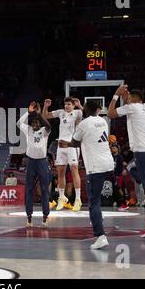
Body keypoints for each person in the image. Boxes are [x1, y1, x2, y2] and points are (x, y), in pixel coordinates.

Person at [108, 85, 145, 238]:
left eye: (129, 98)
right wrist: (126, 96)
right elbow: (130, 104)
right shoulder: (144, 107)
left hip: (143, 151)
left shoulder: (133, 108)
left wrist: (116, 95)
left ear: (134, 99)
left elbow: (110, 113)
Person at [59, 101, 114, 250]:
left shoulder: (83, 124)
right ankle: (97, 219)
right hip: (109, 164)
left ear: (83, 111)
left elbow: (75, 142)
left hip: (95, 167)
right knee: (96, 202)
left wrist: (66, 144)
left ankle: (100, 236)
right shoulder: (103, 121)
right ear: (97, 110)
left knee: (93, 203)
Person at [17, 100, 52, 227]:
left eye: (38, 122)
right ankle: (29, 217)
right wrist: (28, 112)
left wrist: (39, 114)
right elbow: (19, 123)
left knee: (44, 189)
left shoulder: (44, 131)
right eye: (34, 122)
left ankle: (45, 216)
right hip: (31, 161)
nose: (36, 124)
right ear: (32, 124)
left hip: (42, 161)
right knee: (29, 189)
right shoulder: (28, 130)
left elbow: (49, 126)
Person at [45, 97, 83, 211]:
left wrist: (80, 105)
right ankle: (61, 198)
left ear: (73, 105)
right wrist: (45, 106)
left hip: (72, 146)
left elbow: (87, 115)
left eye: (69, 104)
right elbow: (46, 115)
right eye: (65, 104)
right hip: (60, 147)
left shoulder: (77, 112)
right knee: (60, 173)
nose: (67, 106)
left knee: (74, 170)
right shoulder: (61, 113)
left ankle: (78, 199)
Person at [111, 144, 128, 211]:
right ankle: (118, 202)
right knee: (115, 189)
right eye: (112, 148)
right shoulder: (111, 156)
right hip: (114, 175)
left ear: (117, 149)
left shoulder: (120, 157)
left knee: (120, 189)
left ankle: (124, 204)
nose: (113, 149)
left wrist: (124, 169)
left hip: (119, 176)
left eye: (114, 148)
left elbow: (125, 164)